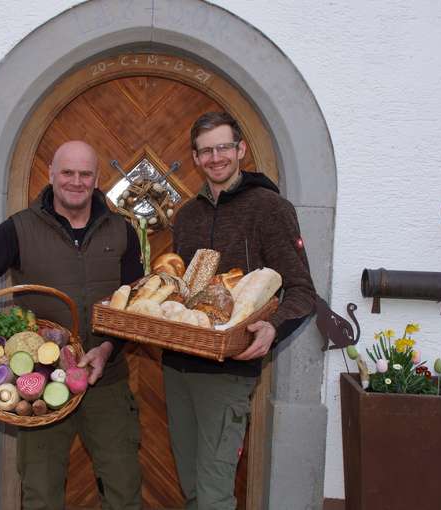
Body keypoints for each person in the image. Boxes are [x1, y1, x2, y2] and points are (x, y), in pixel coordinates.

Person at [0, 140, 143, 510]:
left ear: (97, 179)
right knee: (40, 494)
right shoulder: (18, 229)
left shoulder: (122, 231)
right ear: (51, 174)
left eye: (85, 174)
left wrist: (107, 348)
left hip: (107, 380)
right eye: (67, 172)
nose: (76, 181)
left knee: (124, 489)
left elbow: (136, 306)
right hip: (39, 384)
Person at [163, 112, 316, 509]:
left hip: (227, 370)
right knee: (192, 485)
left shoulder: (270, 208)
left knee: (214, 493)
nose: (216, 157)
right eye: (206, 151)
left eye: (223, 147)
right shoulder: (187, 215)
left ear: (240, 150)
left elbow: (301, 291)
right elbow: (182, 292)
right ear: (195, 157)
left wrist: (272, 329)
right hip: (177, 366)